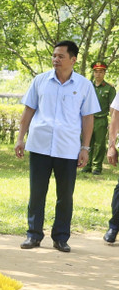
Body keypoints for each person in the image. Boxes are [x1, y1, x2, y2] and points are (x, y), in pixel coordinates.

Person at [15, 40, 98, 252]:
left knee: (65, 196)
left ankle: (61, 237)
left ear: (73, 59)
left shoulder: (84, 85)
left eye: (61, 56)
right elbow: (28, 111)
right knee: (37, 193)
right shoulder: (40, 81)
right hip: (40, 145)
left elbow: (88, 118)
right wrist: (20, 138)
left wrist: (85, 148)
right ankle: (33, 235)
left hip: (68, 148)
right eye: (54, 55)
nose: (55, 59)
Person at [84, 62, 115, 175]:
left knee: (100, 144)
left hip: (101, 119)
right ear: (93, 73)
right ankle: (87, 165)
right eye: (96, 72)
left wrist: (112, 122)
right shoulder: (88, 87)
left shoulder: (109, 88)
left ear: (104, 73)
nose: (98, 74)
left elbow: (113, 107)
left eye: (101, 72)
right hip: (88, 118)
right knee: (87, 142)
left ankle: (97, 166)